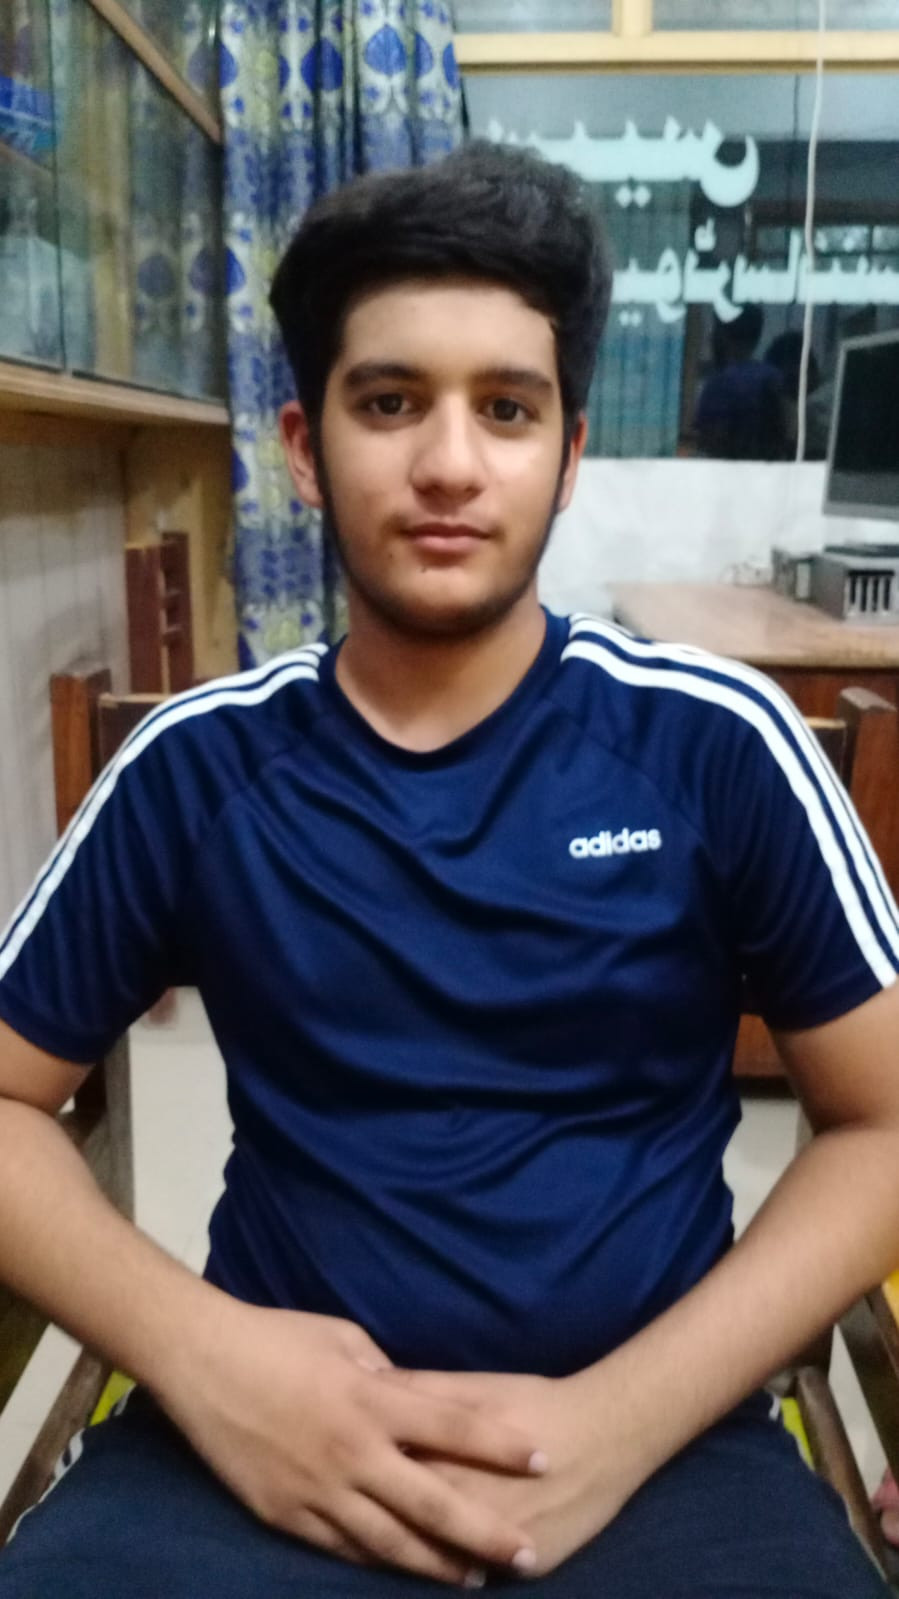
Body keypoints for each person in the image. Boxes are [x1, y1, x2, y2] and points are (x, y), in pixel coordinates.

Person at [0, 140, 897, 1599]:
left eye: (506, 408)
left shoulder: (713, 746)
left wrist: (619, 1421)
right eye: (388, 401)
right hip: (254, 1441)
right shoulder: (198, 769)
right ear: (303, 446)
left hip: (660, 1447)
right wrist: (205, 1358)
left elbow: (881, 1121)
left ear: (568, 452)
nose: (449, 464)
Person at [695, 304, 789, 460]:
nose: (709, 336)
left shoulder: (719, 385)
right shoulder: (775, 378)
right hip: (770, 470)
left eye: (714, 327)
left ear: (721, 334)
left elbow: (712, 445)